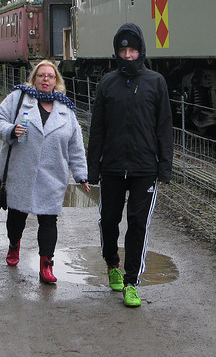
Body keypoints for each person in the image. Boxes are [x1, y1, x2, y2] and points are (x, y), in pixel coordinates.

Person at [87, 23, 173, 307]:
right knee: (110, 220)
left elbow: (164, 127)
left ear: (141, 51)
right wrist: (92, 168)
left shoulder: (156, 82)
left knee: (138, 224)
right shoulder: (107, 84)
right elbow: (97, 128)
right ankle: (112, 262)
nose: (128, 55)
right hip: (111, 166)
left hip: (144, 168)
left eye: (132, 50)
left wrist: (164, 167)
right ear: (117, 52)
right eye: (123, 50)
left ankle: (132, 281)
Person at [0, 59, 89, 284]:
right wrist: (10, 130)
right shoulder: (18, 98)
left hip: (52, 175)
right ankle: (14, 245)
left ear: (57, 81)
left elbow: (76, 146)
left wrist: (81, 174)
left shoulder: (66, 109)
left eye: (51, 76)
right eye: (41, 75)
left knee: (49, 220)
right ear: (34, 78)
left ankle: (46, 265)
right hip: (21, 171)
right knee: (16, 216)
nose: (46, 79)